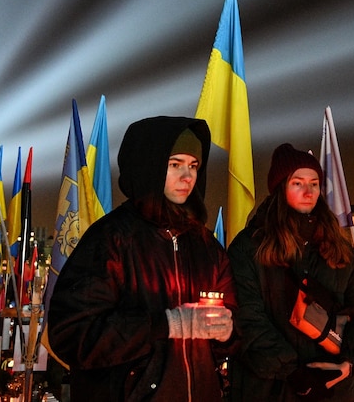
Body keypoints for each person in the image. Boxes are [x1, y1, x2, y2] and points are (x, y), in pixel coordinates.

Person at [47, 116, 236, 401]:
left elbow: (235, 323)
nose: (188, 176)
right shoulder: (111, 240)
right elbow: (71, 335)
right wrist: (166, 324)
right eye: (175, 164)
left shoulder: (206, 245)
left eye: (194, 165)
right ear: (149, 164)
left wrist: (227, 332)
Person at [228, 143, 354, 401]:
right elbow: (246, 318)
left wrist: (349, 363)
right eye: (297, 183)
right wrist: (293, 372)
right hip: (270, 390)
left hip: (333, 391)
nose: (308, 191)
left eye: (314, 183)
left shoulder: (339, 250)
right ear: (281, 188)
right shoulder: (249, 248)